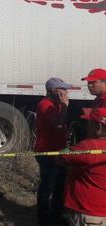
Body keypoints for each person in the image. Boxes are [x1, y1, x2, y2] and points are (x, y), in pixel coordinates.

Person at [34, 77, 72, 225]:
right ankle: (43, 216)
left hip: (58, 150)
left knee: (60, 183)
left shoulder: (56, 105)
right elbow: (57, 123)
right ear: (53, 90)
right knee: (48, 184)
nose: (66, 91)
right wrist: (65, 106)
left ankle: (57, 214)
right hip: (47, 152)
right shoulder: (45, 104)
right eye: (63, 89)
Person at [61, 107, 106, 225]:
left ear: (99, 127)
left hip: (89, 212)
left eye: (89, 123)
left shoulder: (90, 147)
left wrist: (68, 149)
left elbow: (61, 157)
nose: (87, 126)